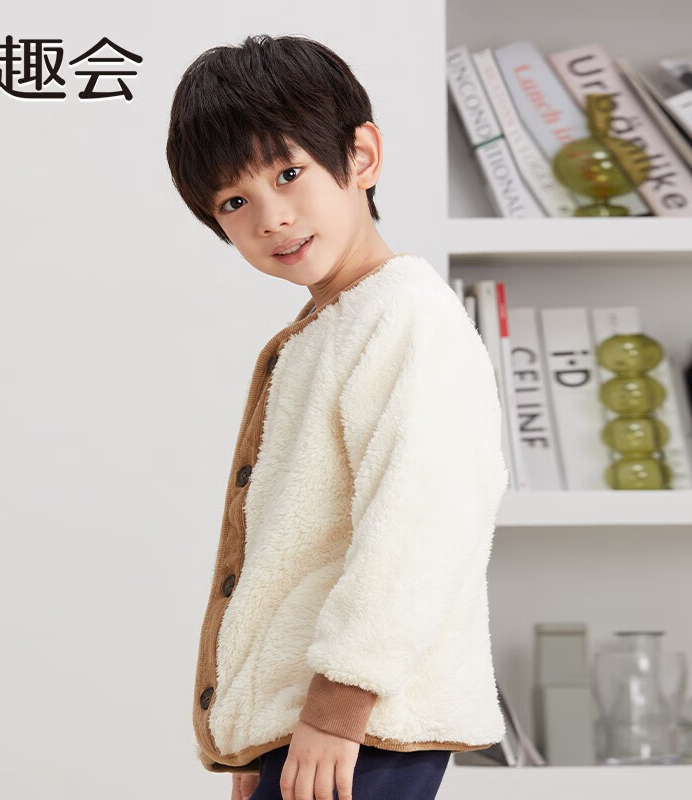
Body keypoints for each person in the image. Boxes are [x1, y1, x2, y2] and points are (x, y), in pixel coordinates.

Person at [165, 33, 509, 800]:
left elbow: (421, 524)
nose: (273, 217)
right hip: (309, 728)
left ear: (361, 157)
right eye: (234, 202)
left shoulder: (407, 317)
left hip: (360, 724)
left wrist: (333, 712)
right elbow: (289, 557)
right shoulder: (327, 329)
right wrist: (258, 739)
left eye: (289, 173)